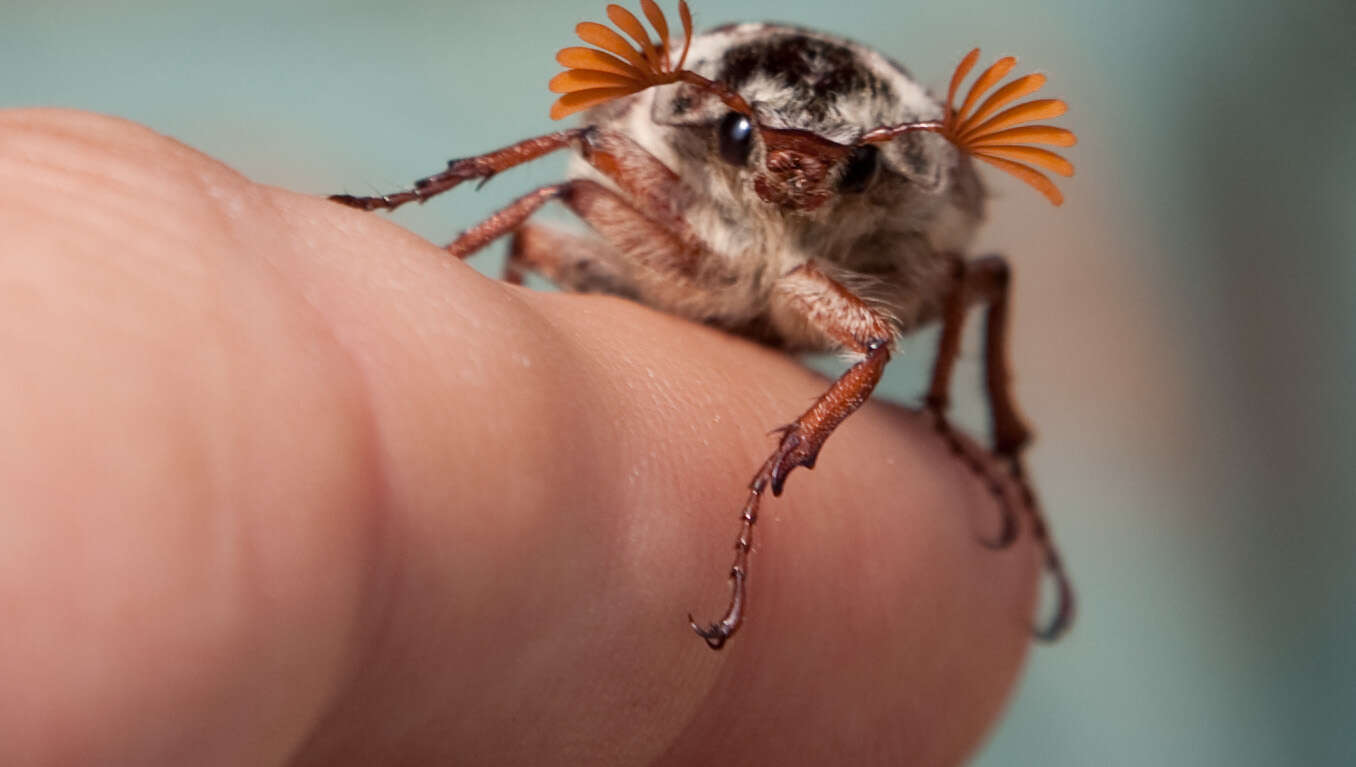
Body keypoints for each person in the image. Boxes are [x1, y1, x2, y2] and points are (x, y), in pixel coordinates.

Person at [0, 109, 1039, 765]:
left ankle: (860, 453)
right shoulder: (657, 169)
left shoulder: (903, 211)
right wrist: (415, 272)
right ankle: (436, 266)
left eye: (841, 167)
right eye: (752, 144)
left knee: (915, 321)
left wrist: (785, 486)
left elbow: (953, 287)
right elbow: (581, 156)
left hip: (833, 286)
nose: (791, 178)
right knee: (565, 191)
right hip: (681, 264)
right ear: (715, 136)